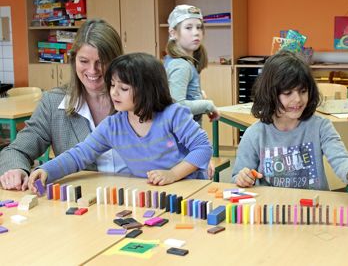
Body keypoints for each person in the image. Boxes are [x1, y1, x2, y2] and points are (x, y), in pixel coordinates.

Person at [28, 53, 212, 190]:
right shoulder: (112, 125)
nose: (114, 93)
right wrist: (47, 170)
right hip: (152, 192)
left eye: (123, 88)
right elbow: (79, 154)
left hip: (190, 188)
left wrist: (172, 174)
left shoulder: (173, 115)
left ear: (147, 90)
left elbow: (203, 148)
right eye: (113, 85)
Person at [0, 19, 128, 191]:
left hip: (139, 198)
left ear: (116, 61)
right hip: (82, 205)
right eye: (84, 61)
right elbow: (16, 151)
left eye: (101, 62)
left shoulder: (140, 98)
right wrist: (16, 169)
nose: (92, 70)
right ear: (73, 60)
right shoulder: (53, 103)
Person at [232, 50, 348, 190]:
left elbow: (340, 158)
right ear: (270, 94)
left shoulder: (320, 126)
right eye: (287, 93)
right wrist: (243, 178)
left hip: (313, 209)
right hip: (272, 211)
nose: (297, 99)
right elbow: (237, 177)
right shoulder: (255, 134)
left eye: (303, 91)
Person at [163, 4, 220, 125]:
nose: (196, 33)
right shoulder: (181, 66)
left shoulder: (176, 61)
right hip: (182, 138)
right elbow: (177, 105)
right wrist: (208, 105)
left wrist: (197, 96)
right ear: (173, 33)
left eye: (199, 27)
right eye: (188, 28)